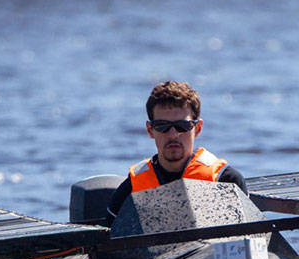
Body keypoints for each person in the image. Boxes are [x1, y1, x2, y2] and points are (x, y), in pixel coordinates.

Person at [105, 81, 247, 223]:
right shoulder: (132, 187)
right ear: (150, 130)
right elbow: (108, 240)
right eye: (162, 126)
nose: (173, 134)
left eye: (182, 126)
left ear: (197, 128)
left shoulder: (226, 181)